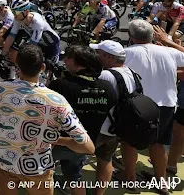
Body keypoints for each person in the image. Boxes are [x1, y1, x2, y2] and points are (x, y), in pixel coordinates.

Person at [0, 45, 94, 195]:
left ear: (17, 66)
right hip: (37, 167)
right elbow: (88, 147)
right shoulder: (57, 101)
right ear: (42, 67)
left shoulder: (1, 88)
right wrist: (58, 140)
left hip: (5, 161)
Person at [121, 20, 184, 188]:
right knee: (158, 143)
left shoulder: (125, 53)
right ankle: (161, 182)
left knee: (130, 141)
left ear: (131, 36)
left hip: (138, 105)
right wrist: (168, 42)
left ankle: (131, 179)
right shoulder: (169, 52)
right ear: (152, 35)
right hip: (166, 104)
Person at [48, 46, 117, 195]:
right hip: (84, 144)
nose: (65, 60)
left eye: (69, 58)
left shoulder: (61, 85)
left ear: (80, 63)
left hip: (55, 143)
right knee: (75, 178)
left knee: (42, 176)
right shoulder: (108, 87)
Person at [91, 40, 138, 195]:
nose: (95, 55)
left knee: (76, 159)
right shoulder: (131, 72)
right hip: (118, 127)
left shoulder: (105, 75)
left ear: (108, 57)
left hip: (101, 128)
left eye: (98, 53)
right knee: (105, 160)